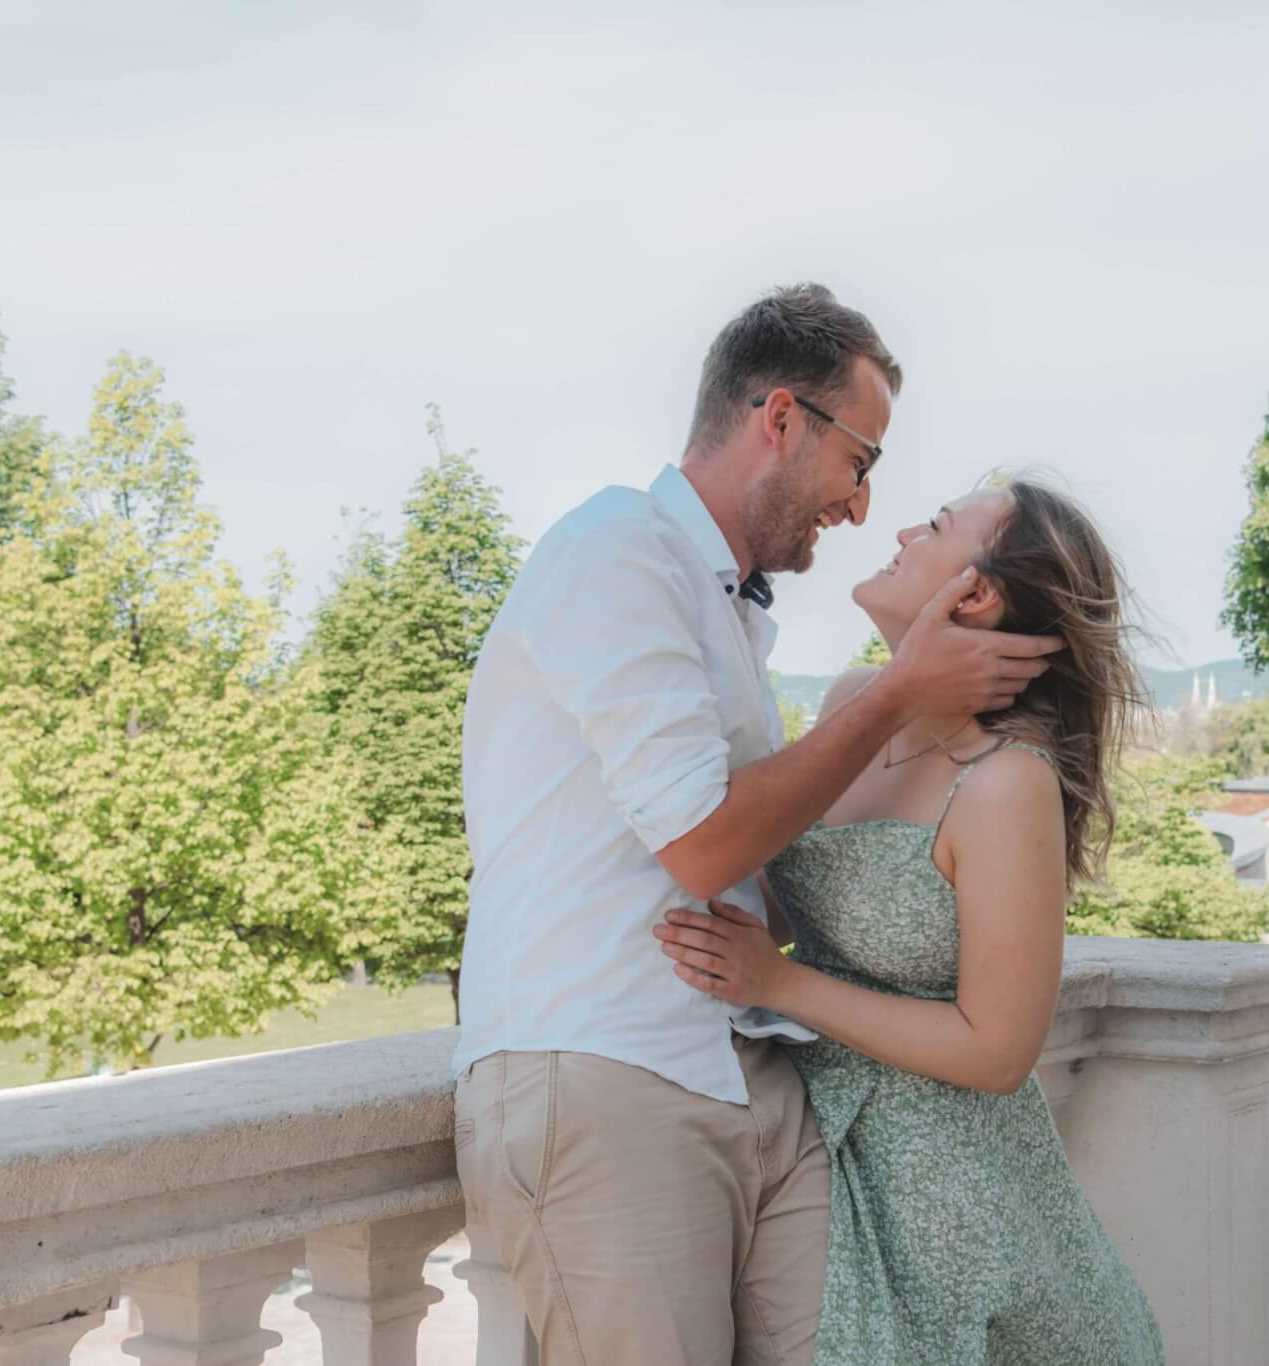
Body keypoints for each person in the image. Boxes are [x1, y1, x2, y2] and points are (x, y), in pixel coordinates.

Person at [453, 284, 1064, 1366]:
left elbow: (783, 867)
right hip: (604, 1069)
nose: (861, 506)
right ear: (778, 418)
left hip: (752, 1075)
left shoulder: (728, 609)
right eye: (859, 461)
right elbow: (700, 842)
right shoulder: (616, 552)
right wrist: (894, 691)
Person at [654, 476, 1167, 1365]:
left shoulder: (1006, 780)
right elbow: (798, 888)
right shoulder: (854, 701)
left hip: (955, 1209)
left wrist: (778, 981)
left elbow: (998, 1050)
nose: (897, 530)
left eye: (933, 527)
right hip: (817, 1152)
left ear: (977, 595)